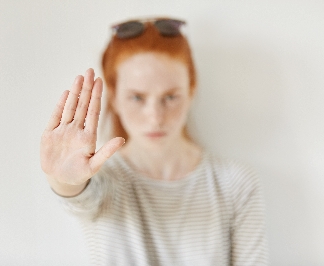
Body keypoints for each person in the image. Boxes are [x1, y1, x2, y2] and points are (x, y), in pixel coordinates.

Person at [40, 18, 269, 265]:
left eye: (170, 97)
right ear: (115, 98)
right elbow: (79, 195)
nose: (155, 117)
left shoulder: (234, 183)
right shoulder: (107, 180)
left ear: (191, 91)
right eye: (137, 97)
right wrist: (62, 179)